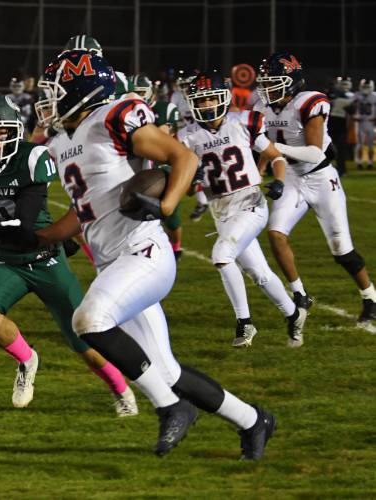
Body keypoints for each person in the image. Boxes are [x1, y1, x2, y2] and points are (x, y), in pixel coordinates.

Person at [29, 50, 276, 459]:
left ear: (81, 88)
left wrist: (164, 207)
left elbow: (185, 157)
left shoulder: (113, 116)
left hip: (143, 250)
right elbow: (84, 211)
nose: (51, 101)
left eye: (56, 91)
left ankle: (171, 408)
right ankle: (253, 419)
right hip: (112, 261)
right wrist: (40, 238)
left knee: (88, 320)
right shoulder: (62, 142)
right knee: (166, 371)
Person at [0, 93, 138, 417]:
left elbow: (25, 228)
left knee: (85, 342)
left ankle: (121, 390)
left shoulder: (31, 159)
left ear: (15, 131)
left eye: (0, 133)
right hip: (5, 261)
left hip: (44, 257)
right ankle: (27, 359)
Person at [180, 70, 307, 347]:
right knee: (259, 274)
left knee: (222, 255)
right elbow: (188, 187)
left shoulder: (242, 122)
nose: (205, 106)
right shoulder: (188, 137)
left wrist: (279, 182)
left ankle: (245, 323)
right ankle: (293, 313)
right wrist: (193, 179)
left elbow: (274, 156)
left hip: (250, 203)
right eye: (200, 101)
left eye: (210, 99)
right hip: (221, 211)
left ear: (223, 98)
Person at [254, 52, 376, 323]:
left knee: (341, 249)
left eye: (272, 82)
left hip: (321, 178)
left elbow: (313, 153)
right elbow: (265, 147)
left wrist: (274, 149)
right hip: (293, 179)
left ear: (290, 81)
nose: (265, 88)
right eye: (264, 82)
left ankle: (370, 296)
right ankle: (299, 293)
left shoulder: (308, 102)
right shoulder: (263, 109)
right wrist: (258, 172)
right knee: (275, 233)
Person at [126, 74, 185, 260]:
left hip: (162, 166)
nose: (137, 98)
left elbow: (163, 137)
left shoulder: (162, 109)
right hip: (141, 170)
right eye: (133, 93)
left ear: (150, 94)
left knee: (171, 216)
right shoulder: (124, 115)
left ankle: (176, 248)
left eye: (141, 93)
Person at [327, 77, 354, 176]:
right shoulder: (328, 94)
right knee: (329, 149)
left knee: (340, 149)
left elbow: (351, 111)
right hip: (331, 124)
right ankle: (335, 170)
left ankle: (341, 170)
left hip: (338, 125)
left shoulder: (345, 96)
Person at [351, 79, 376, 170]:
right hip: (359, 122)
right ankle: (359, 162)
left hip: (370, 122)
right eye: (364, 87)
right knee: (359, 144)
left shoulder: (374, 96)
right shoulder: (356, 95)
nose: (365, 89)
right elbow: (350, 108)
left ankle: (370, 162)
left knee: (370, 144)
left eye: (367, 87)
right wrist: (353, 115)